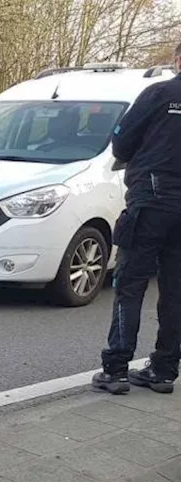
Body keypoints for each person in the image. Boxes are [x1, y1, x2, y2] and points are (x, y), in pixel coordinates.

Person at [94, 43, 182, 395]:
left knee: (129, 284)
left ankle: (115, 369)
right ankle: (163, 370)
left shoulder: (160, 92)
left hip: (152, 199)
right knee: (176, 289)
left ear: (179, 59)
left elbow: (121, 142)